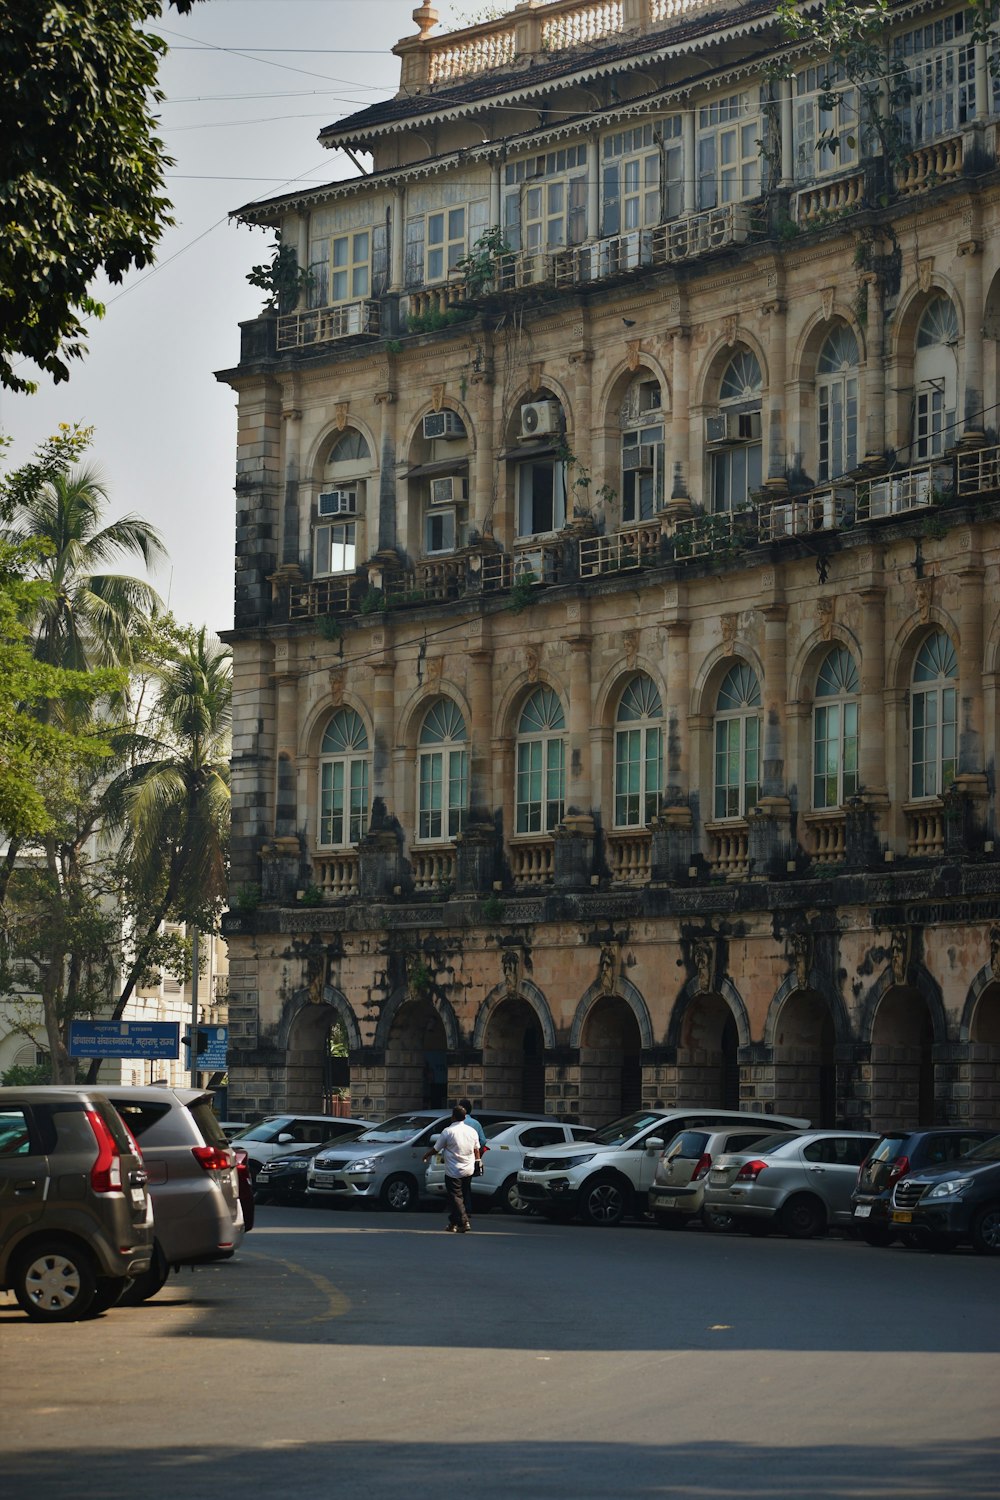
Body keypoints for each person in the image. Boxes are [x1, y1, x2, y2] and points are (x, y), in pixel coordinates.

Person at [424, 1105, 480, 1233]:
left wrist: (426, 1155)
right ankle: (453, 1223)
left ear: (453, 1117)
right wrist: (478, 1162)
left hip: (453, 1170)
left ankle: (464, 1222)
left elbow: (436, 1148)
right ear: (465, 1117)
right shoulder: (472, 1131)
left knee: (455, 1197)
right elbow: (476, 1149)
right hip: (469, 1169)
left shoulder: (448, 1131)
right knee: (461, 1197)